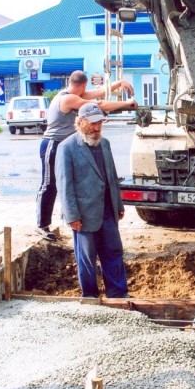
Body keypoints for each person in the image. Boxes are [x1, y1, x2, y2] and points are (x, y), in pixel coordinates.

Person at [35, 71, 137, 241]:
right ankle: (41, 225)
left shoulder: (72, 93)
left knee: (70, 183)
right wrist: (126, 103)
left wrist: (118, 83)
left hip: (67, 145)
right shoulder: (68, 99)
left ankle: (63, 216)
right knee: (50, 183)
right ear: (83, 85)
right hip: (53, 144)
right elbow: (99, 104)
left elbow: (99, 92)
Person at [55, 103, 129, 298]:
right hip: (84, 215)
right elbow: (65, 186)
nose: (97, 128)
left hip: (107, 211)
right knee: (87, 258)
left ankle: (118, 293)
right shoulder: (67, 148)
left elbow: (112, 177)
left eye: (100, 123)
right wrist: (72, 215)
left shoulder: (104, 144)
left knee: (113, 252)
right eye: (93, 124)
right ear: (80, 122)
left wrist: (118, 205)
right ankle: (89, 295)